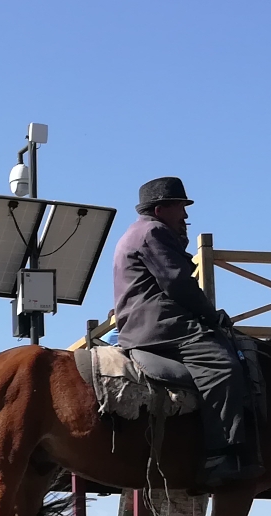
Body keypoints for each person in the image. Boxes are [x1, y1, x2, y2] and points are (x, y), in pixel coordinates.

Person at [109, 176, 260, 484]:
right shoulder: (154, 231)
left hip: (142, 323)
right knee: (223, 365)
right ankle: (221, 456)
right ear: (162, 208)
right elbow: (178, 283)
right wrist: (211, 315)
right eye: (181, 207)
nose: (186, 216)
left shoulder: (135, 232)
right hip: (161, 325)